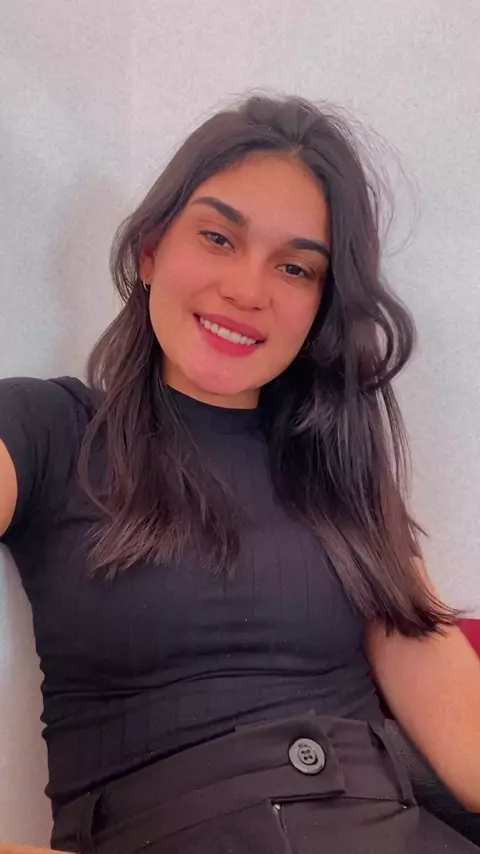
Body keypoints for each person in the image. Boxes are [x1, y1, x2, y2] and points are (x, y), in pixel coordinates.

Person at [0, 93, 479, 854]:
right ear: (151, 250)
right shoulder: (46, 429)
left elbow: (462, 726)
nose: (249, 291)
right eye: (219, 237)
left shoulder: (341, 474)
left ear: (320, 305)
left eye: (295, 267)